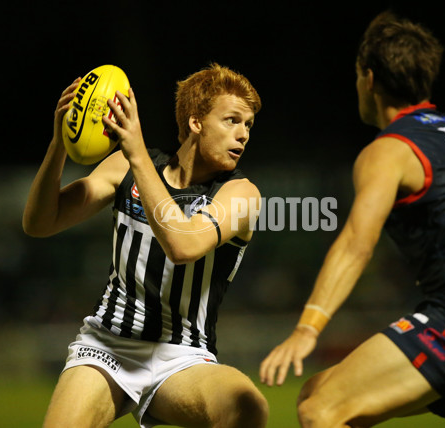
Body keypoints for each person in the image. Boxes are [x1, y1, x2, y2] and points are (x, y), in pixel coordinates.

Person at [259, 11, 445, 427]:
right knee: (319, 392)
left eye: (358, 75)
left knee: (319, 412)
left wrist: (307, 329)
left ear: (369, 79)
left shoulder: (389, 150)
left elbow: (357, 243)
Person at [23, 63, 268, 428]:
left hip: (183, 356)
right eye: (232, 120)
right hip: (106, 345)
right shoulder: (125, 164)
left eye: (248, 124)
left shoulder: (241, 194)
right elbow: (39, 222)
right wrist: (60, 144)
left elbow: (183, 245)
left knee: (247, 407)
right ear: (196, 122)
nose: (243, 134)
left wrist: (137, 153)